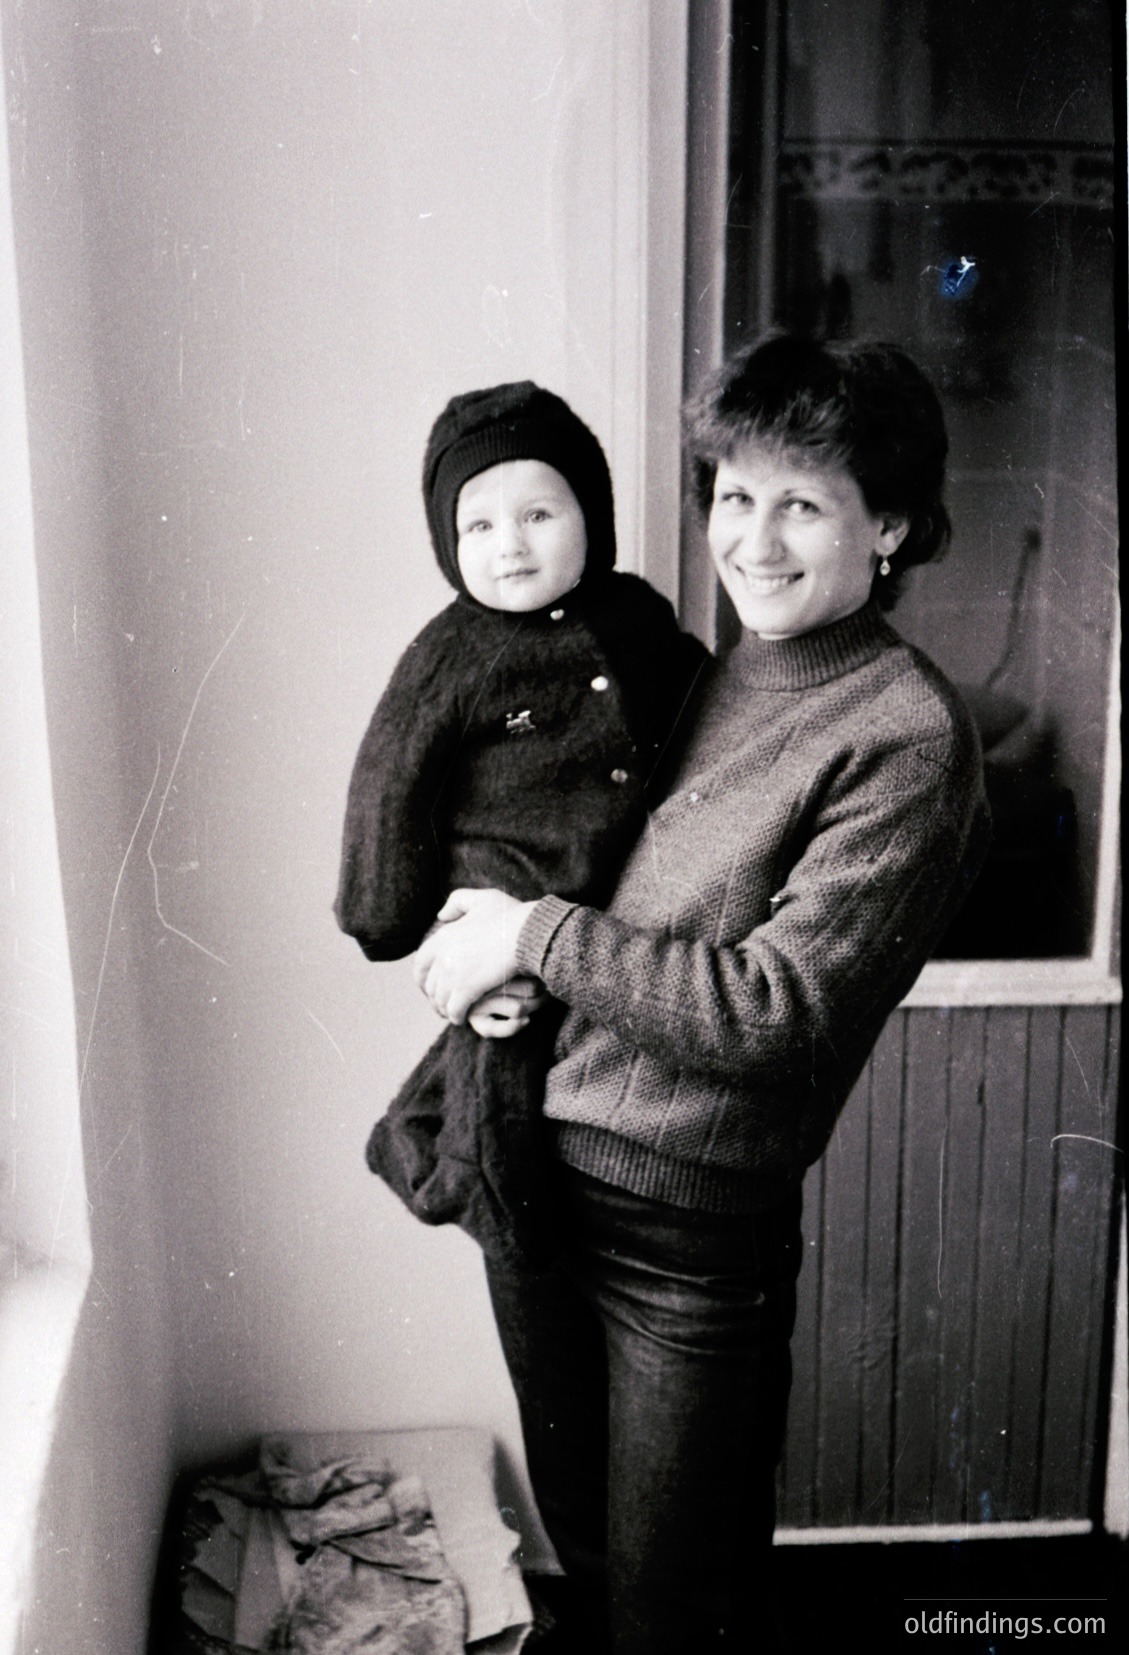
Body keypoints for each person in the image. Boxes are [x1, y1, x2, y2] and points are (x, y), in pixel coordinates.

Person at [412, 334, 992, 1654]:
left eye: (802, 500)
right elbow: (568, 863)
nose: (755, 535)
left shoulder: (906, 736)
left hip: (685, 1242)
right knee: (595, 1566)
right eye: (734, 492)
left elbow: (776, 1009)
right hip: (536, 1179)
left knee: (680, 1611)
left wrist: (537, 935)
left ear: (889, 523)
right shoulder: (710, 671)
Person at [334, 380, 708, 1258]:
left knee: (616, 1165)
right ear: (447, 542)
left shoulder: (640, 619)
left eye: (538, 513)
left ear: (592, 512)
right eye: (478, 526)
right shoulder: (445, 658)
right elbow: (384, 798)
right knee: (515, 1200)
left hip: (623, 943)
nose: (509, 546)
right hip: (508, 970)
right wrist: (418, 931)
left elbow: (709, 718)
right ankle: (450, 1164)